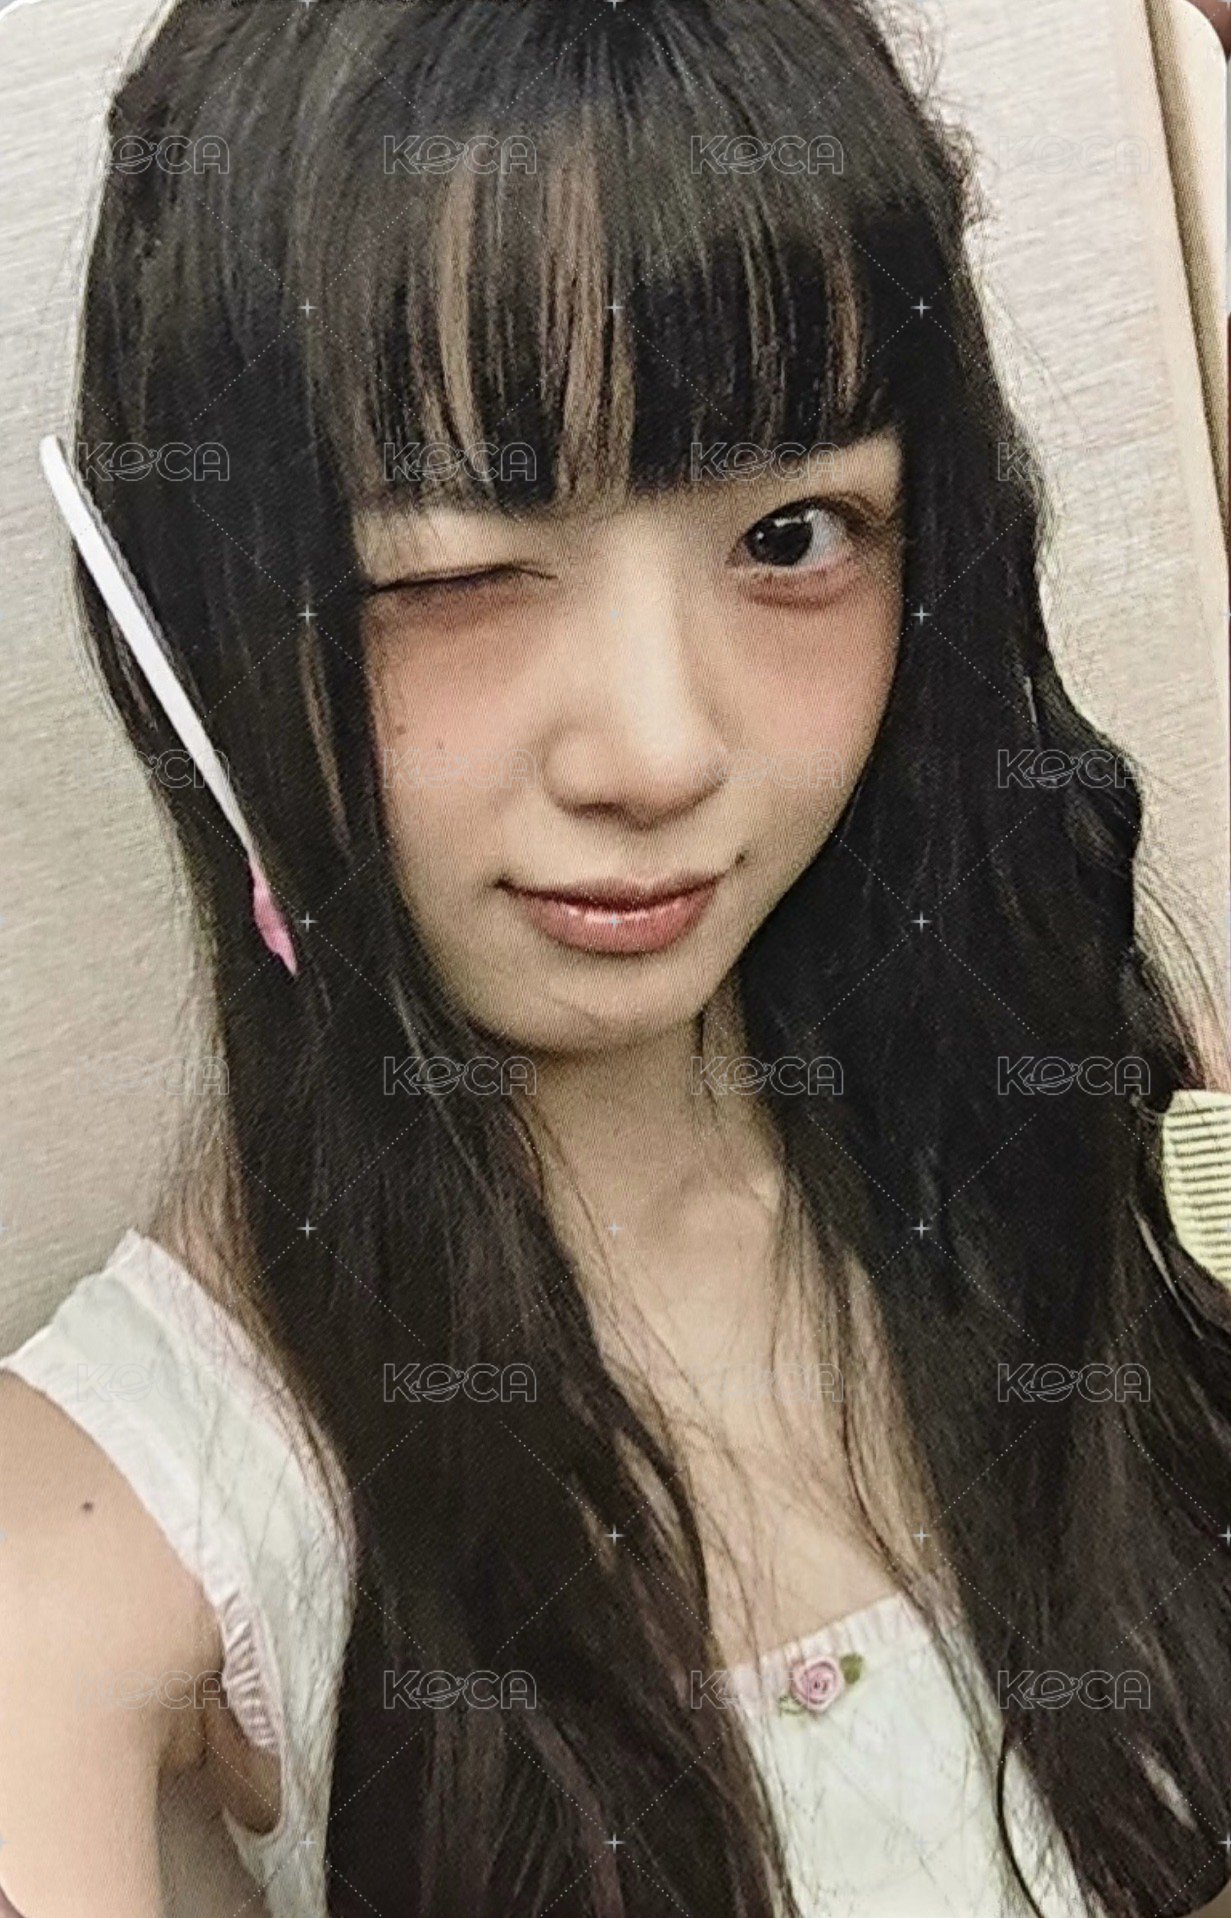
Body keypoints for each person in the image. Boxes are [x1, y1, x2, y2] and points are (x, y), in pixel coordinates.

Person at [2, 2, 1231, 1915]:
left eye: (795, 532)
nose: (660, 751)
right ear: (185, 622)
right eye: (448, 567)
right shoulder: (116, 1529)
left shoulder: (1108, 1127)